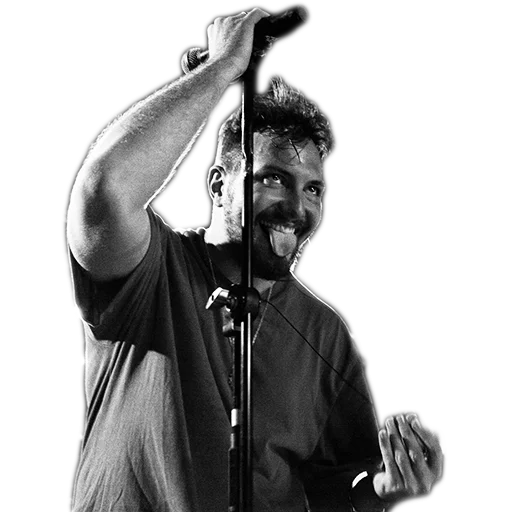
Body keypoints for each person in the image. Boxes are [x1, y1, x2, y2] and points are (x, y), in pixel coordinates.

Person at [67, 8, 443, 512]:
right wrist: (220, 69)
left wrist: (382, 486)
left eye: (313, 189)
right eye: (273, 179)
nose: (297, 207)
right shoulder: (151, 268)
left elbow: (336, 486)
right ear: (217, 185)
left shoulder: (326, 333)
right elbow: (104, 188)